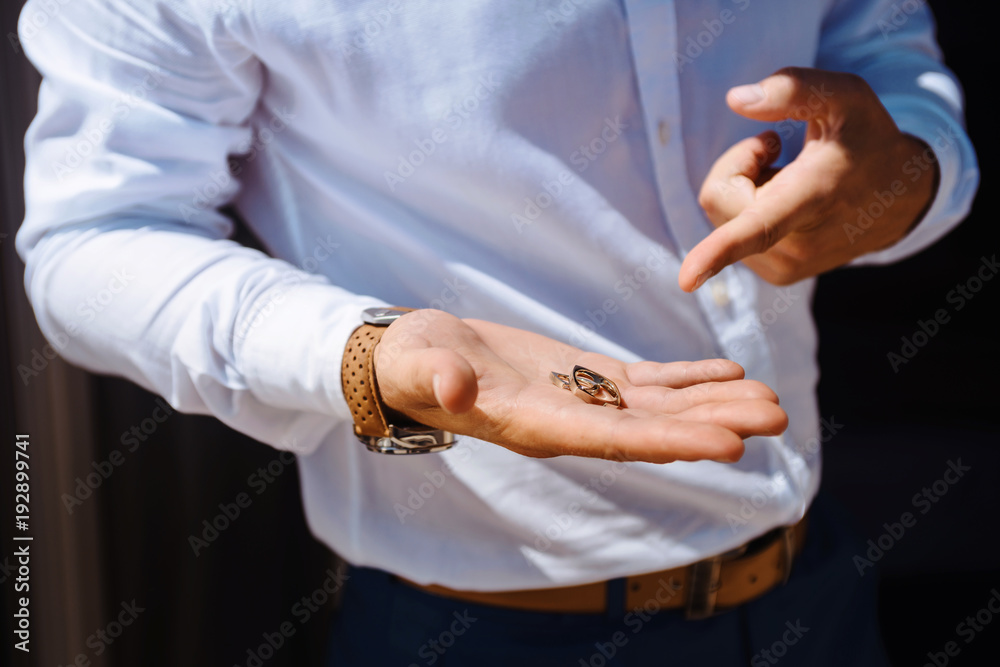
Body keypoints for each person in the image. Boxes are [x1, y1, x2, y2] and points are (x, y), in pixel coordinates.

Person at [16, 0, 977, 665]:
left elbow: (881, 37)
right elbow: (94, 237)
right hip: (482, 630)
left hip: (821, 584)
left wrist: (906, 176)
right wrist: (366, 354)